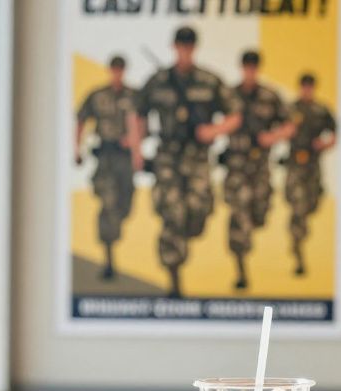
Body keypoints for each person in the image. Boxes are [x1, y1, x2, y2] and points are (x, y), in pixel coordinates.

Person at [138, 26, 243, 298]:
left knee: (197, 211)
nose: (184, 50)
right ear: (174, 47)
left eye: (189, 45)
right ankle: (174, 278)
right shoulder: (160, 80)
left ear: (193, 48)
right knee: (171, 214)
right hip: (168, 158)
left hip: (197, 157)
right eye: (181, 45)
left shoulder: (208, 81)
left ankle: (189, 233)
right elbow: (138, 114)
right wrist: (137, 152)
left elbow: (234, 116)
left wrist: (213, 131)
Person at [223, 50, 292, 291]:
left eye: (253, 66)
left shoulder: (269, 96)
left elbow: (289, 125)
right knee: (239, 216)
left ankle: (248, 235)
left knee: (259, 214)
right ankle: (241, 270)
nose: (250, 70)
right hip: (236, 168)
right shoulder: (229, 95)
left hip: (261, 168)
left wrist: (271, 137)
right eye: (246, 66)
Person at [74, 55, 143, 280]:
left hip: (124, 160)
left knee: (124, 206)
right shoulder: (98, 95)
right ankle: (109, 261)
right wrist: (77, 148)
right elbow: (81, 119)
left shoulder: (133, 96)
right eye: (114, 69)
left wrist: (136, 149)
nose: (117, 73)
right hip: (105, 159)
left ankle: (113, 243)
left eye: (120, 69)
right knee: (108, 205)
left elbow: (141, 125)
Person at [283, 73, 337, 277]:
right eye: (304, 86)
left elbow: (334, 133)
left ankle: (298, 237)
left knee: (311, 205)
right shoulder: (290, 109)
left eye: (309, 86)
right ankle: (298, 249)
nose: (307, 90)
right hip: (295, 165)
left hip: (313, 166)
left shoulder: (321, 110)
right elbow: (277, 128)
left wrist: (325, 144)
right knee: (298, 206)